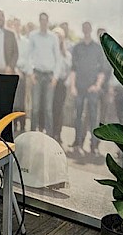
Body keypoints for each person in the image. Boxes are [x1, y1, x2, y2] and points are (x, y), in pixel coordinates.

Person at [70, 22, 107, 157]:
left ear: (90, 30)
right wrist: (73, 86)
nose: (86, 30)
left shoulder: (97, 48)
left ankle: (94, 147)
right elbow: (73, 69)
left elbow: (102, 70)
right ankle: (78, 145)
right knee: (78, 117)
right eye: (84, 28)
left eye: (88, 28)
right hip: (79, 87)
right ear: (82, 29)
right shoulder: (77, 47)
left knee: (93, 118)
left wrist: (97, 85)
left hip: (92, 89)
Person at [27, 12, 61, 133]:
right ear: (39, 21)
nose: (43, 22)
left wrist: (55, 77)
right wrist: (31, 74)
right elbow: (28, 56)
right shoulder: (33, 36)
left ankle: (49, 136)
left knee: (48, 109)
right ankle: (32, 133)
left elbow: (58, 58)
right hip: (37, 74)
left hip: (49, 76)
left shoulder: (53, 37)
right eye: (41, 20)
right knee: (35, 107)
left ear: (48, 21)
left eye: (45, 20)